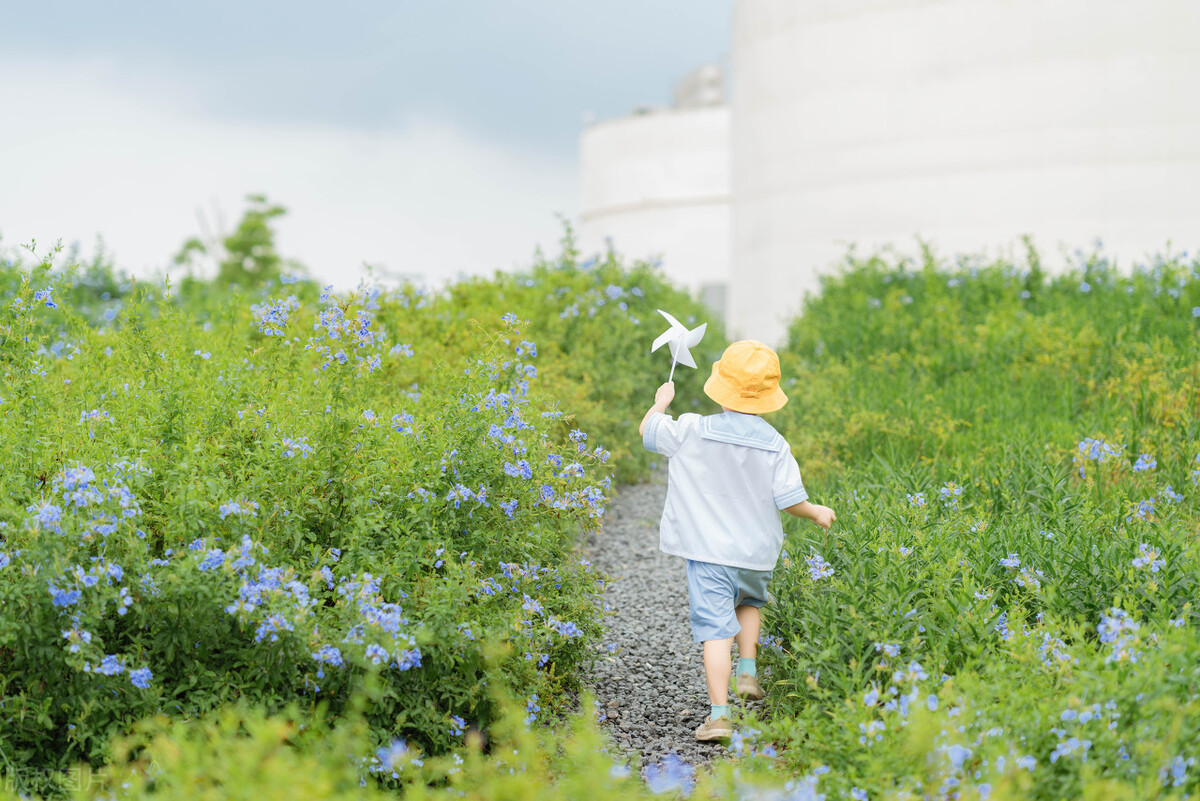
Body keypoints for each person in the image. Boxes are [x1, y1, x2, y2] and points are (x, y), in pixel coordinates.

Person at [639, 339, 836, 741]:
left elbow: (648, 432)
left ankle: (719, 715)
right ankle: (747, 672)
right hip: (757, 554)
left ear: (720, 388)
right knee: (749, 604)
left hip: (710, 554)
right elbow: (790, 501)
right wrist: (816, 512)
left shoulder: (693, 427)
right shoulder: (776, 444)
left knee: (716, 631)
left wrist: (661, 402)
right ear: (768, 398)